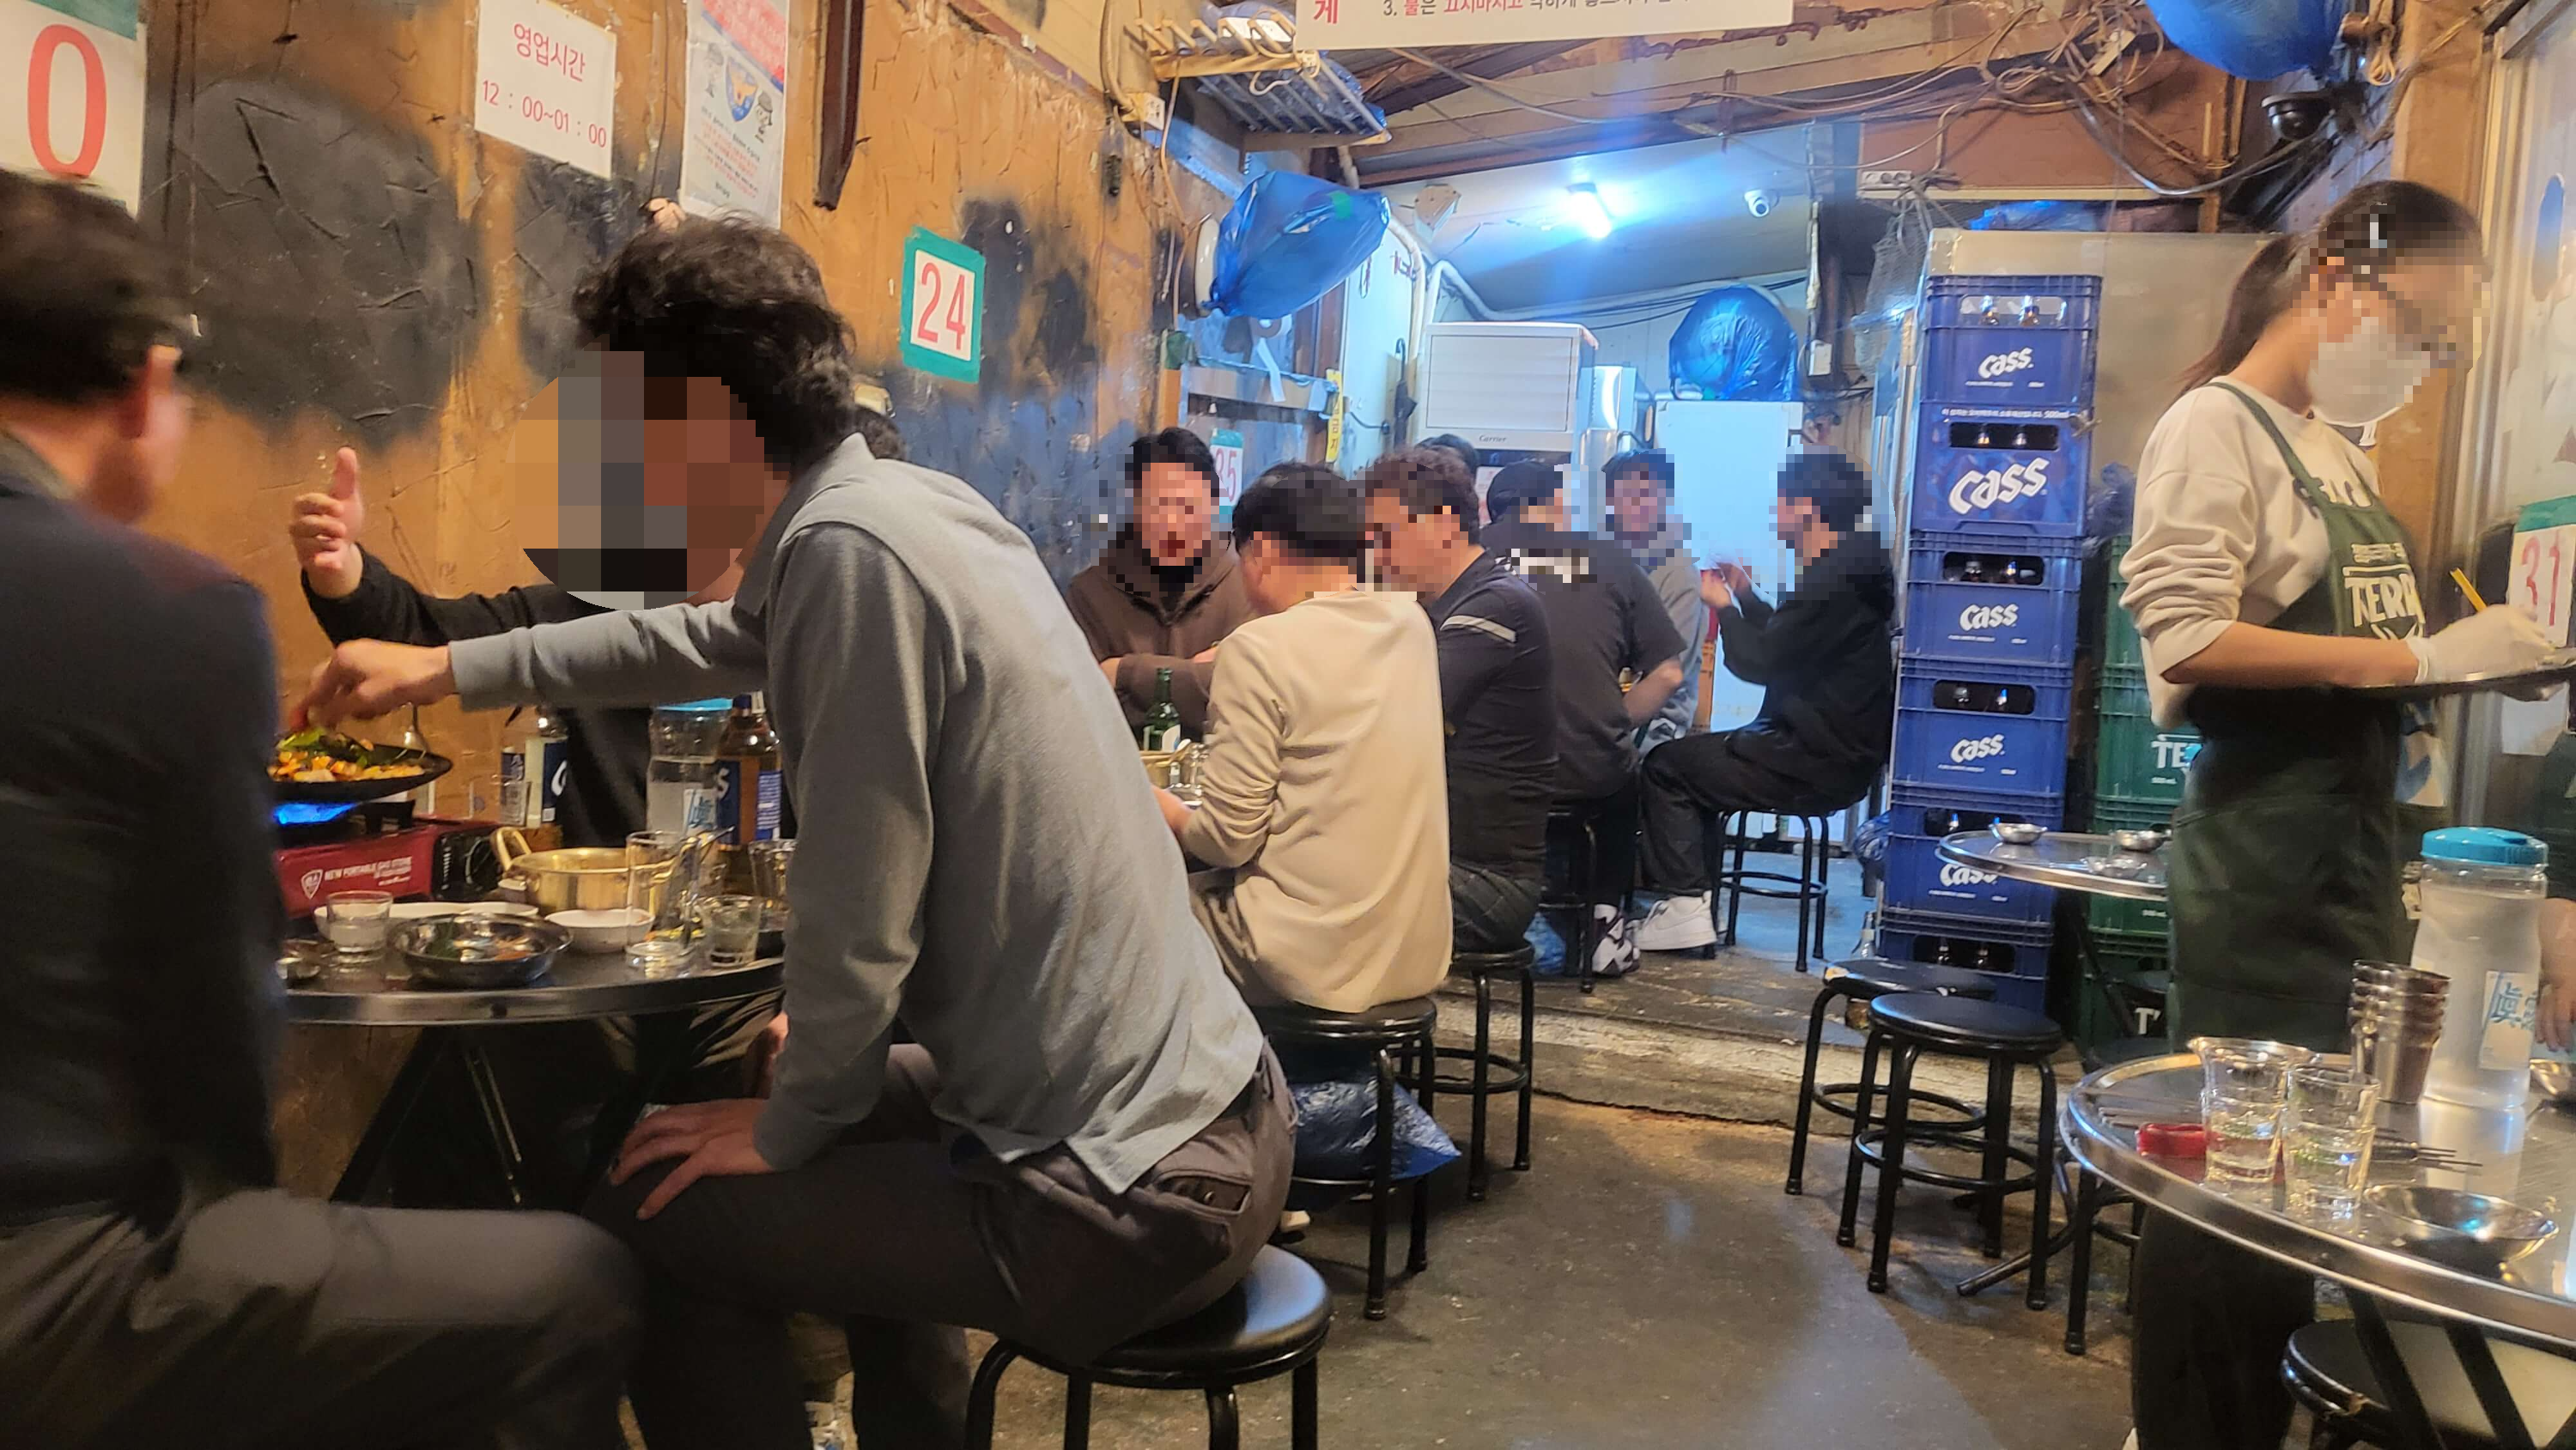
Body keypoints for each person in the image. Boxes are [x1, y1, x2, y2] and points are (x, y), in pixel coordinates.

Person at [296, 215, 1290, 1450]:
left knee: (649, 1207)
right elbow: (697, 640)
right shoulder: (904, 507)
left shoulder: (848, 555)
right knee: (795, 1092)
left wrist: (789, 1129)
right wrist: (447, 665)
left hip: (1128, 1195)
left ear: (709, 420)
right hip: (1221, 1117)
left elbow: (859, 916)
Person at [0, 169, 637, 1450]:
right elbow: (212, 1014)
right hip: (44, 1266)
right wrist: (351, 583)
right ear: (147, 384)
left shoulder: (750, 605)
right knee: (573, 1281)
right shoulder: (167, 612)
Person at [2119, 180, 2548, 1450]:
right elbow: (2186, 640)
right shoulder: (2215, 427)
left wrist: (2471, 664)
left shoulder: (2336, 451)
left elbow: (2364, 657)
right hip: (2264, 870)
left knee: (2304, 1196)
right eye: (2416, 326)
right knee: (2230, 1193)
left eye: (2441, 344)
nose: (2421, 361)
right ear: (2334, 282)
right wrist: (2420, 661)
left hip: (2354, 862)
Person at [1157, 461, 1452, 1011]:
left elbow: (1225, 840)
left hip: (1308, 957)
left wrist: (1161, 805)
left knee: (1131, 908)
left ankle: (1211, 1071)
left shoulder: (1259, 649)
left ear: (1263, 551)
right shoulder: (1411, 624)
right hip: (1415, 951)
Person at [1633, 452, 1895, 952]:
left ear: (1808, 508)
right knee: (1691, 763)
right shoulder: (1850, 569)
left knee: (1666, 767)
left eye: (1781, 501)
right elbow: (1787, 643)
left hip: (1813, 759)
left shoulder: (1831, 578)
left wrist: (1725, 610)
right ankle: (1694, 907)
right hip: (1833, 753)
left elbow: (1760, 663)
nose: (1775, 512)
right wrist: (1748, 597)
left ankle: (1686, 906)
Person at [1481, 459, 1686, 978]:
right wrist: (1610, 721)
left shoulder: (1467, 557)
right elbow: (1668, 674)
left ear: (1490, 509)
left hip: (1490, 781)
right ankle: (1602, 922)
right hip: (1587, 774)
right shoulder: (1608, 559)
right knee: (1618, 776)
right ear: (1555, 505)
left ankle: (1502, 917)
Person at [1360, 446, 1558, 954]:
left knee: (1293, 890)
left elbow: (1391, 717)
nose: (1377, 554)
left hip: (1485, 882)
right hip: (1440, 862)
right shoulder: (1438, 607)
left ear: (1445, 523)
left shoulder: (1494, 606)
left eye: (1386, 535)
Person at [1066, 427, 1255, 737]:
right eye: (1157, 506)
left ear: (1214, 505)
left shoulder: (1245, 585)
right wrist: (1196, 677)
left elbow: (1248, 698)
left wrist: (1125, 673)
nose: (1172, 525)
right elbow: (1084, 707)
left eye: (1188, 507)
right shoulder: (1090, 594)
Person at [1606, 448, 1707, 754]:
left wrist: (1600, 726)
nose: (1643, 505)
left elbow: (1665, 676)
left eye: (1652, 494)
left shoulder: (1678, 573)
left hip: (1650, 729)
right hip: (1598, 714)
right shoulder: (1595, 558)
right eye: (1630, 494)